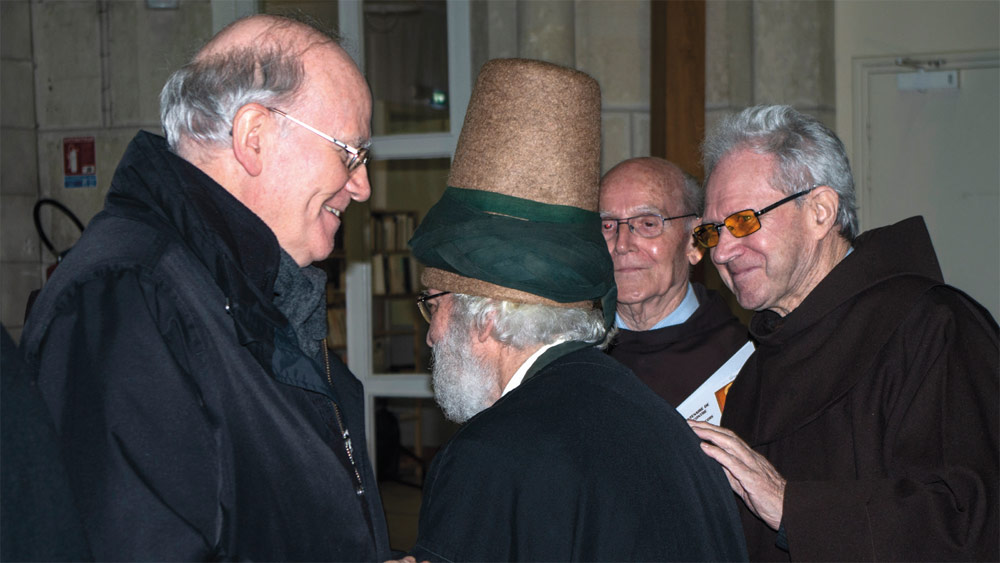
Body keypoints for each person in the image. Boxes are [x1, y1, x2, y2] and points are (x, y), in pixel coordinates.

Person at [19, 15, 390, 561]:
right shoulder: (127, 300)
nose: (362, 186)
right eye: (348, 153)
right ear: (254, 137)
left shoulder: (242, 288)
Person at [406, 58, 747, 562]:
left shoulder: (489, 452)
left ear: (488, 316)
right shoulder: (649, 415)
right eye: (608, 225)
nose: (432, 334)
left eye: (434, 305)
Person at [688, 104, 999, 561]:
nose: (721, 252)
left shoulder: (934, 328)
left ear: (820, 211)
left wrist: (792, 508)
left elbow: (972, 521)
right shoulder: (756, 370)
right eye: (714, 231)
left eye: (743, 221)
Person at [600, 157, 747, 407]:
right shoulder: (568, 348)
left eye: (648, 224)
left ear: (694, 242)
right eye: (607, 225)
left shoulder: (744, 361)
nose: (622, 244)